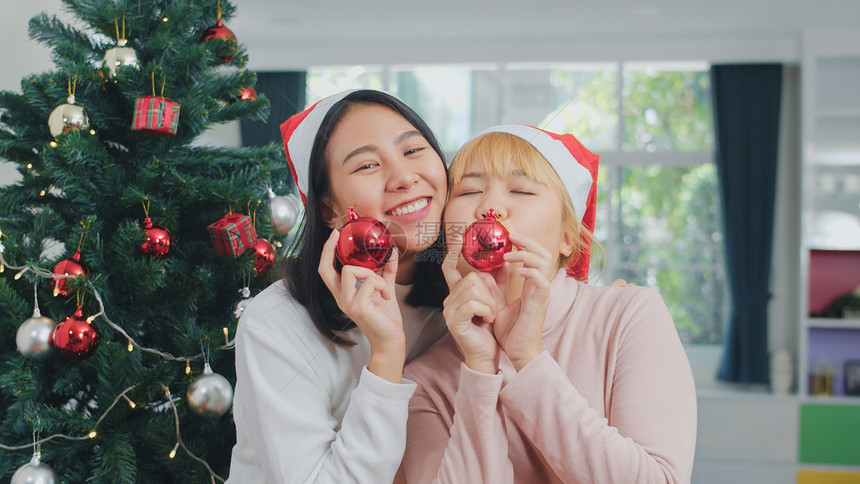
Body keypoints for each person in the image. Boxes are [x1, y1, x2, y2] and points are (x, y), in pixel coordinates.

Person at [401, 125, 698, 483]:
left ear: (567, 238)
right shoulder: (422, 381)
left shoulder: (630, 316)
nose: (490, 207)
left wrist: (529, 359)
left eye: (522, 190)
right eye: (470, 190)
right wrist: (480, 369)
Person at [226, 89, 450, 483]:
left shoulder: (464, 301)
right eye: (367, 165)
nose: (404, 177)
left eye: (413, 150)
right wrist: (386, 354)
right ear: (329, 210)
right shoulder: (276, 322)